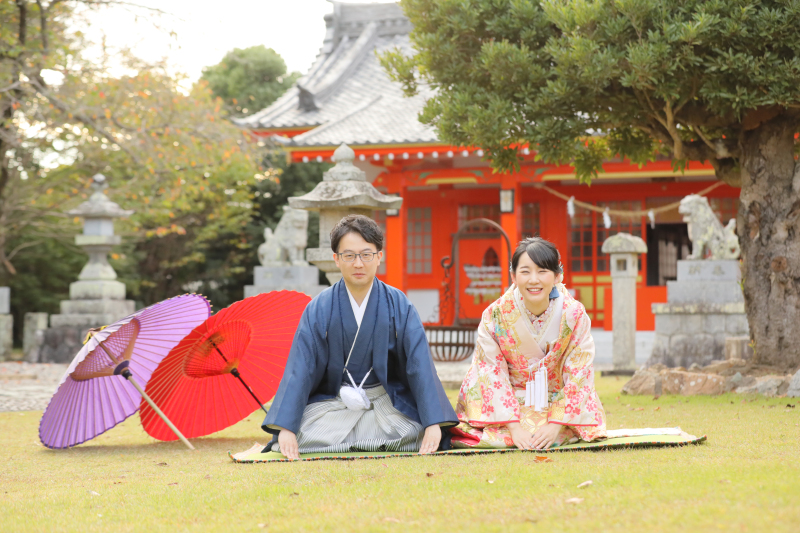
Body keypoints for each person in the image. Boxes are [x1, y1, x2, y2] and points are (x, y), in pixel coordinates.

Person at [262, 214, 458, 459]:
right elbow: (301, 368)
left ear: (379, 257)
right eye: (349, 255)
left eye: (366, 254)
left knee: (417, 428)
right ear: (336, 259)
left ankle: (353, 439)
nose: (358, 263)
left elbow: (420, 366)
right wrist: (287, 427)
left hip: (384, 403)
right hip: (337, 403)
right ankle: (371, 440)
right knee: (298, 432)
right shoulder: (320, 307)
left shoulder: (398, 303)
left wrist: (433, 423)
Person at [451, 237, 607, 450]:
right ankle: (516, 430)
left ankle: (557, 428)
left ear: (558, 276)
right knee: (497, 426)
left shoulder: (573, 314)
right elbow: (490, 370)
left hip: (555, 403)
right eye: (525, 272)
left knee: (551, 433)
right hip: (510, 404)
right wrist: (514, 427)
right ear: (513, 276)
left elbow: (580, 371)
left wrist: (555, 425)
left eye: (542, 271)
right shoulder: (495, 315)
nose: (534, 280)